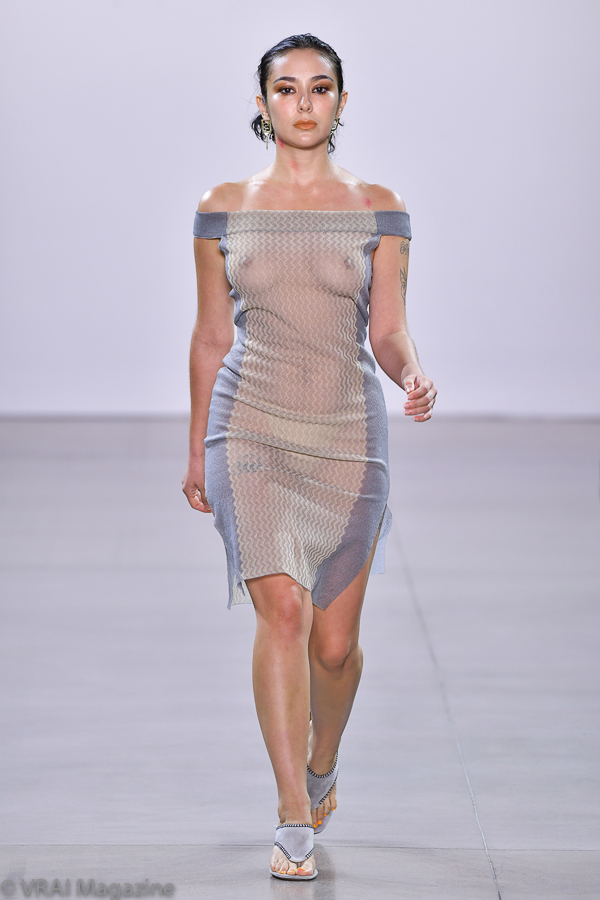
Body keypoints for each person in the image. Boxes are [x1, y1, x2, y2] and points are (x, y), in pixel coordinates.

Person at [182, 33, 437, 881]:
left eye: (319, 88)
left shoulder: (377, 208)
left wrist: (412, 372)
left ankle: (324, 758)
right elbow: (211, 335)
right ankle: (293, 811)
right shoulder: (222, 208)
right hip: (248, 430)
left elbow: (388, 328)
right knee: (282, 615)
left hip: (348, 437)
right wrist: (197, 449)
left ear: (341, 102)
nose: (303, 102)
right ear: (262, 104)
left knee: (333, 646)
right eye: (286, 89)